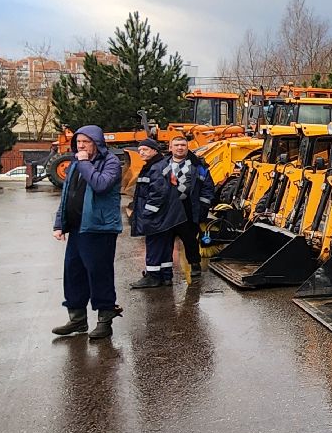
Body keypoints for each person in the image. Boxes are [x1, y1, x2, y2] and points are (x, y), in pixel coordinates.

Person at [51, 125, 124, 339]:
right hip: (77, 228)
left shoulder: (110, 162)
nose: (81, 146)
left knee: (98, 273)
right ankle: (77, 319)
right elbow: (68, 194)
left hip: (99, 228)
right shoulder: (75, 164)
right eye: (78, 142)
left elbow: (100, 185)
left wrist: (83, 162)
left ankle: (105, 319)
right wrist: (59, 223)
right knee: (73, 273)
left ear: (97, 142)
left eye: (86, 142)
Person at [128, 135, 215, 288]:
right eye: (176, 145)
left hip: (189, 207)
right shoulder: (163, 164)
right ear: (170, 148)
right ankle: (166, 274)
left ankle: (194, 264)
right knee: (166, 242)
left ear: (187, 147)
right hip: (167, 211)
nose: (180, 148)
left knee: (190, 239)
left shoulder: (198, 165)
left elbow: (207, 187)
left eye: (183, 145)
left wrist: (203, 207)